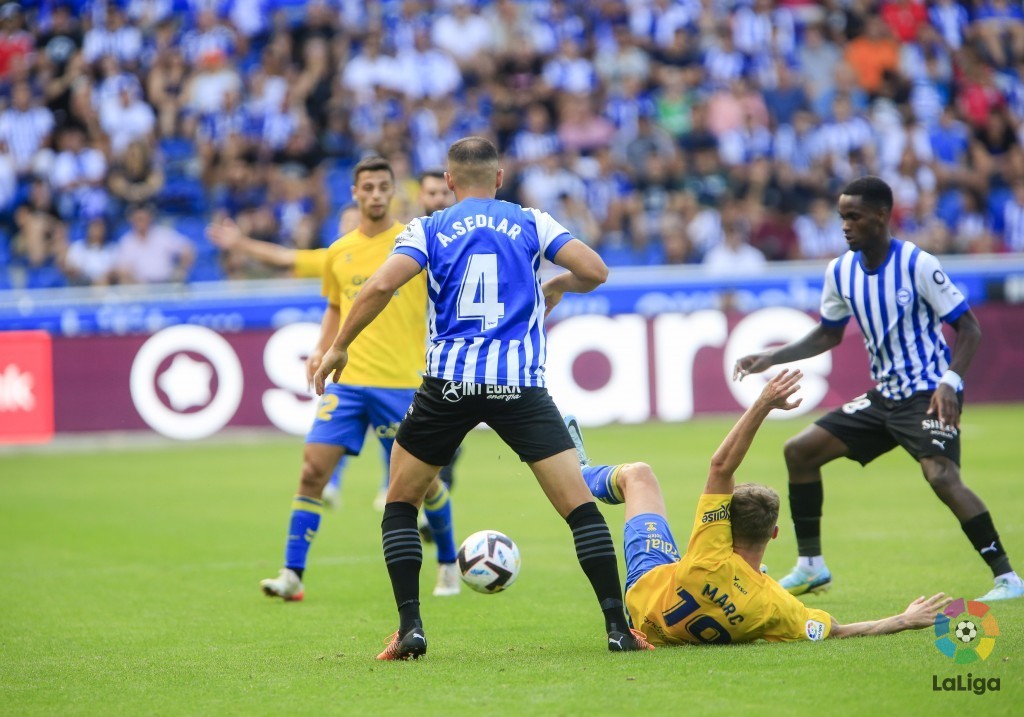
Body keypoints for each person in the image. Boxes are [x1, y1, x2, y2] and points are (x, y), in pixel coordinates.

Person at [314, 136, 652, 659]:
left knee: (402, 503)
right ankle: (618, 628)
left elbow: (379, 286)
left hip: (446, 387)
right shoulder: (531, 221)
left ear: (448, 182)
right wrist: (558, 285)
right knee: (581, 510)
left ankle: (410, 630)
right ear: (499, 178)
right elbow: (596, 270)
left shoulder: (428, 227)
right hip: (517, 385)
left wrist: (339, 347)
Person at [733, 176, 1022, 602]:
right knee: (800, 451)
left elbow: (969, 327)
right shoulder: (841, 271)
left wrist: (950, 381)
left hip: (929, 393)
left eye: (854, 217)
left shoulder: (917, 264)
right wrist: (772, 357)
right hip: (885, 395)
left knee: (941, 475)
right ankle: (812, 566)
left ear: (882, 216)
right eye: (841, 218)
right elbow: (828, 335)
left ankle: (1008, 578)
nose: (845, 226)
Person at [566, 369, 955, 645]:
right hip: (677, 615)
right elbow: (839, 631)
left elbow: (721, 465)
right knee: (742, 576)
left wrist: (764, 403)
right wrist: (903, 620)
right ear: (773, 533)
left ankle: (579, 473)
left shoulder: (710, 551)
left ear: (724, 527)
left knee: (639, 475)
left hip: (644, 590)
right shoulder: (775, 605)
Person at [258, 157, 461, 602]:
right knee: (312, 471)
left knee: (424, 484)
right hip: (349, 382)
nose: (374, 194)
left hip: (404, 384)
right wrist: (321, 346)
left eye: (382, 187)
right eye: (366, 187)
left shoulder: (415, 241)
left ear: (393, 191)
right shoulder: (338, 250)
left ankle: (448, 562)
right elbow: (335, 306)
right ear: (354, 192)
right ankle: (292, 575)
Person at [207, 173, 460, 518]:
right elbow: (288, 261)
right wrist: (240, 244)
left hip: (407, 368)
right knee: (329, 445)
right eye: (345, 224)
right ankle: (335, 489)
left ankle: (429, 520)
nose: (351, 229)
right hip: (353, 371)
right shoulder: (338, 256)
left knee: (420, 465)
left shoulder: (408, 246)